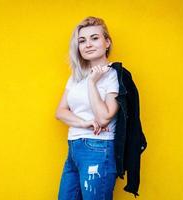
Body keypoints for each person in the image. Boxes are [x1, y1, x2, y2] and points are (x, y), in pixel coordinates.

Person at [55, 16, 120, 200]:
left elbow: (103, 118)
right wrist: (84, 123)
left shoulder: (114, 75)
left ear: (107, 42)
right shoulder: (76, 77)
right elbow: (60, 112)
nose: (87, 44)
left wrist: (92, 82)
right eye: (82, 41)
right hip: (74, 148)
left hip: (98, 148)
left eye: (94, 38)